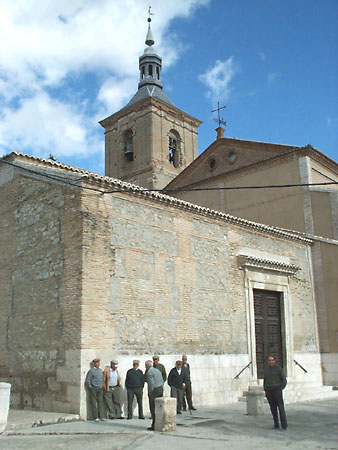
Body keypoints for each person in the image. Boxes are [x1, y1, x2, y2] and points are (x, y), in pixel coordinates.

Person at [263, 355, 288, 430]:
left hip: (277, 390)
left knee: (280, 407)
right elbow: (265, 380)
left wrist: (281, 388)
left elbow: (284, 380)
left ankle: (284, 425)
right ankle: (276, 424)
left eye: (272, 360)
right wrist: (265, 389)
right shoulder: (266, 370)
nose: (271, 362)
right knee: (273, 408)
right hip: (269, 391)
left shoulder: (278, 369)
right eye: (269, 360)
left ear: (274, 361)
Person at [145, 360, 164, 431]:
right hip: (160, 388)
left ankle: (154, 425)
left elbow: (151, 384)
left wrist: (150, 393)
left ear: (147, 366)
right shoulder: (157, 370)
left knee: (153, 408)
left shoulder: (149, 372)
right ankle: (160, 423)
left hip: (154, 390)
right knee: (159, 407)